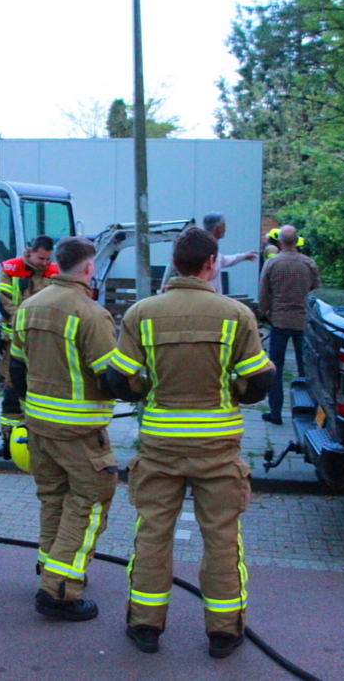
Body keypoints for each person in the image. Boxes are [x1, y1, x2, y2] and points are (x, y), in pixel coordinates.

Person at [108, 227, 275, 658]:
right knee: (222, 538)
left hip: (159, 447)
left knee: (152, 534)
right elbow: (259, 381)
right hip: (217, 450)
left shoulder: (141, 314)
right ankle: (224, 632)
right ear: (211, 263)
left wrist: (148, 388)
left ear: (175, 263)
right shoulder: (236, 314)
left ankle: (145, 626)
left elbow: (119, 380)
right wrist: (232, 389)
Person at [8, 236, 119, 622]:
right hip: (80, 433)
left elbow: (17, 368)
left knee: (53, 499)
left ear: (57, 263)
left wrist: (31, 411)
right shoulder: (91, 314)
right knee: (90, 503)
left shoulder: (29, 306)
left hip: (39, 426)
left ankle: (50, 568)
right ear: (89, 267)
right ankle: (59, 590)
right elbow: (110, 378)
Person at [0, 235, 59, 459]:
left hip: (43, 344)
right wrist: (25, 323)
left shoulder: (54, 273)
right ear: (30, 252)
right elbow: (3, 301)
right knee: (12, 391)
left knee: (40, 390)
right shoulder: (11, 270)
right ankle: (8, 440)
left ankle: (39, 439)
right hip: (14, 341)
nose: (44, 263)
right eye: (41, 258)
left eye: (48, 259)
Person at [258, 225, 321, 426]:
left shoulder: (272, 263)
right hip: (302, 322)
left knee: (275, 366)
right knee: (305, 368)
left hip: (279, 320)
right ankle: (307, 410)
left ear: (280, 241)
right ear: (297, 241)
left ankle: (275, 411)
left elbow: (263, 293)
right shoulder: (308, 263)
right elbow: (318, 293)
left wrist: (266, 312)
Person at [201, 212, 257, 294]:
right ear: (219, 228)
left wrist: (243, 256)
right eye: (224, 225)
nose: (225, 228)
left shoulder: (208, 245)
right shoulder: (206, 247)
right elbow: (220, 261)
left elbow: (222, 260)